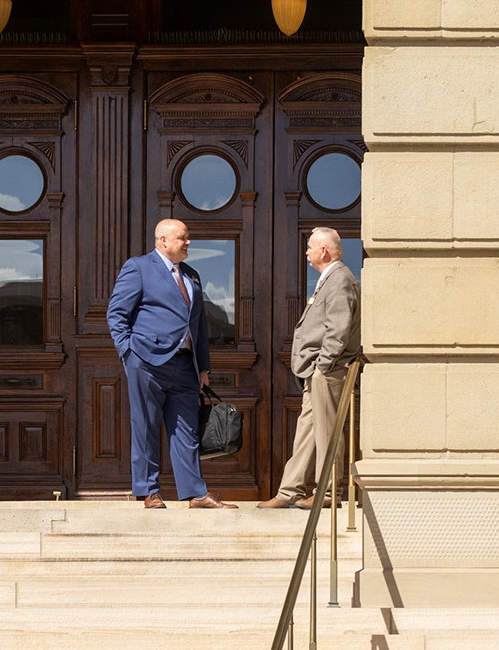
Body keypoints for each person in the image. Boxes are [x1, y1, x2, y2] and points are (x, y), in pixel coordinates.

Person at [107, 218, 236, 509]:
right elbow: (116, 314)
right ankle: (148, 490)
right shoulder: (138, 268)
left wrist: (203, 366)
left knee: (186, 430)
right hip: (146, 361)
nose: (188, 242)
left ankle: (195, 493)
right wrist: (128, 352)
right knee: (145, 426)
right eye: (183, 238)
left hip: (184, 366)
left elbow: (199, 324)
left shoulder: (192, 275)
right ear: (163, 240)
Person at [258, 226, 362, 509]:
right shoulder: (330, 279)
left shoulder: (339, 279)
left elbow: (337, 329)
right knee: (307, 431)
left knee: (327, 433)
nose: (306, 253)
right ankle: (289, 491)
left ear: (324, 251)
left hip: (328, 371)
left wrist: (323, 366)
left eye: (310, 248)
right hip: (319, 371)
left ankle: (328, 494)